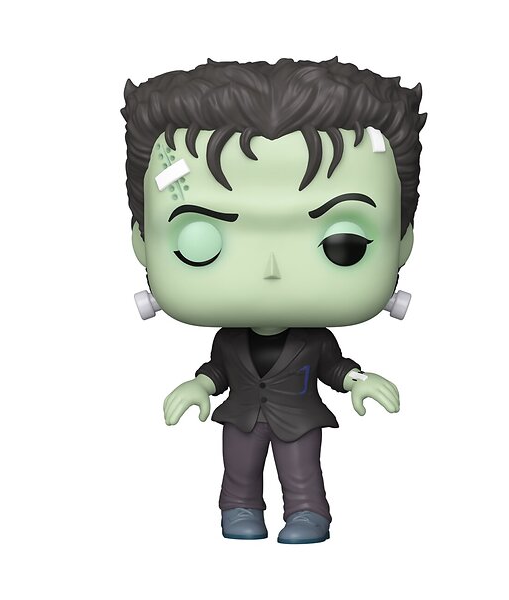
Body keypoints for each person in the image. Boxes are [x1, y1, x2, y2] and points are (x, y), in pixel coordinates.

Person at [122, 58, 426, 543]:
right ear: (142, 242)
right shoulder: (228, 341)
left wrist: (358, 380)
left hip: (298, 420)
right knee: (238, 468)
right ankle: (239, 509)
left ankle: (307, 513)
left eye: (342, 243)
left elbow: (334, 367)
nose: (271, 270)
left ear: (402, 242)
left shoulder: (315, 341)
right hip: (242, 417)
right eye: (200, 242)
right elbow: (218, 370)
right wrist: (199, 386)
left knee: (302, 470)